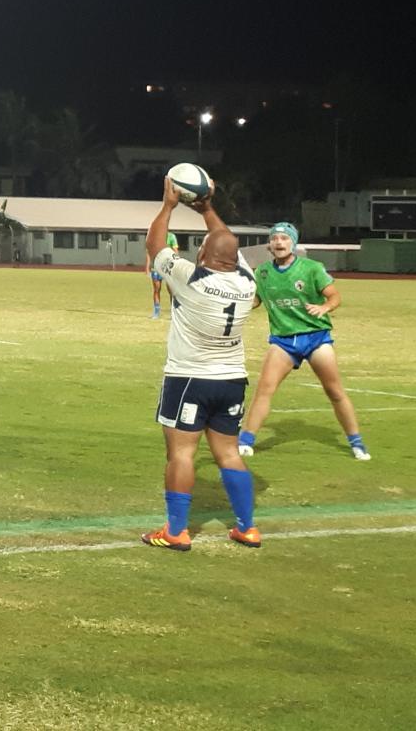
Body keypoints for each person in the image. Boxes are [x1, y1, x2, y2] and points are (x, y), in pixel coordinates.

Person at [142, 178, 260, 551]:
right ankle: (247, 527)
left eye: (201, 247)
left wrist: (168, 205)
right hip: (232, 380)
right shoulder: (247, 281)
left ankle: (176, 530)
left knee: (181, 453)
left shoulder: (193, 278)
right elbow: (226, 240)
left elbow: (155, 246)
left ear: (206, 255)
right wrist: (207, 209)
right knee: (227, 452)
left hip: (189, 378)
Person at [238, 223, 369, 461]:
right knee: (264, 390)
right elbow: (256, 301)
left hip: (316, 338)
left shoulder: (312, 268)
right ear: (270, 244)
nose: (279, 242)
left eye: (284, 238)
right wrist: (239, 305)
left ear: (293, 243)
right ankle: (246, 441)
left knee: (334, 391)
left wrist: (324, 307)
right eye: (275, 238)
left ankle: (356, 442)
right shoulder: (262, 272)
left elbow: (334, 296)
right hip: (284, 341)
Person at [150, 228, 179, 318]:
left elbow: (176, 251)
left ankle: (173, 313)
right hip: (156, 267)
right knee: (156, 289)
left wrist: (175, 263)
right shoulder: (155, 237)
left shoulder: (171, 237)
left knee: (171, 291)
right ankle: (156, 312)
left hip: (168, 267)